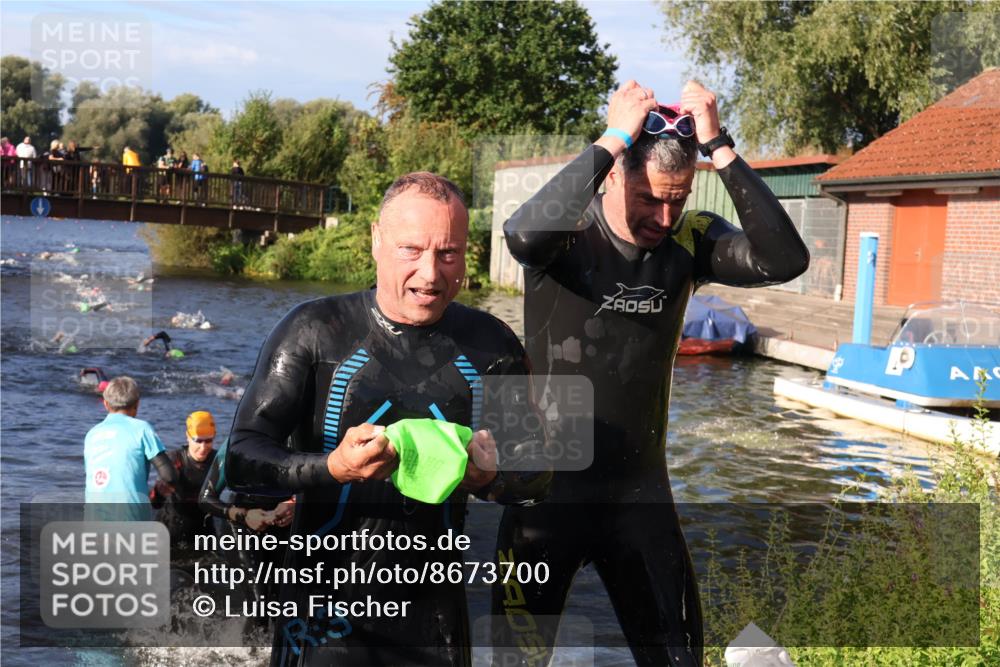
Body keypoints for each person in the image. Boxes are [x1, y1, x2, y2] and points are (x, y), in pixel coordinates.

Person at [494, 80, 810, 666]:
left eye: (679, 198)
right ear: (613, 174)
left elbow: (785, 259)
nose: (665, 217)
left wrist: (719, 143)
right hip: (543, 495)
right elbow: (520, 234)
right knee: (514, 660)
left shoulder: (689, 241)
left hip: (638, 492)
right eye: (650, 199)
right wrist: (614, 135)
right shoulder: (567, 234)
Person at [225, 172, 552, 666]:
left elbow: (538, 474)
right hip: (321, 615)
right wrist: (332, 469)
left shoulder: (491, 345)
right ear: (376, 240)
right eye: (411, 250)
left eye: (448, 254)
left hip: (434, 621)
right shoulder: (314, 331)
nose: (430, 274)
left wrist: (490, 478)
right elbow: (241, 461)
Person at [84, 376, 179, 521]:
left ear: (105, 404)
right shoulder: (142, 429)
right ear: (137, 404)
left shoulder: (92, 434)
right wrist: (157, 497)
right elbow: (169, 475)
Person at [150, 411, 219, 547]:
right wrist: (159, 491)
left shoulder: (218, 461)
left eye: (208, 441)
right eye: (198, 440)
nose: (203, 447)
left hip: (204, 529)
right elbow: (155, 504)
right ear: (188, 436)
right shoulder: (175, 460)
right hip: (172, 527)